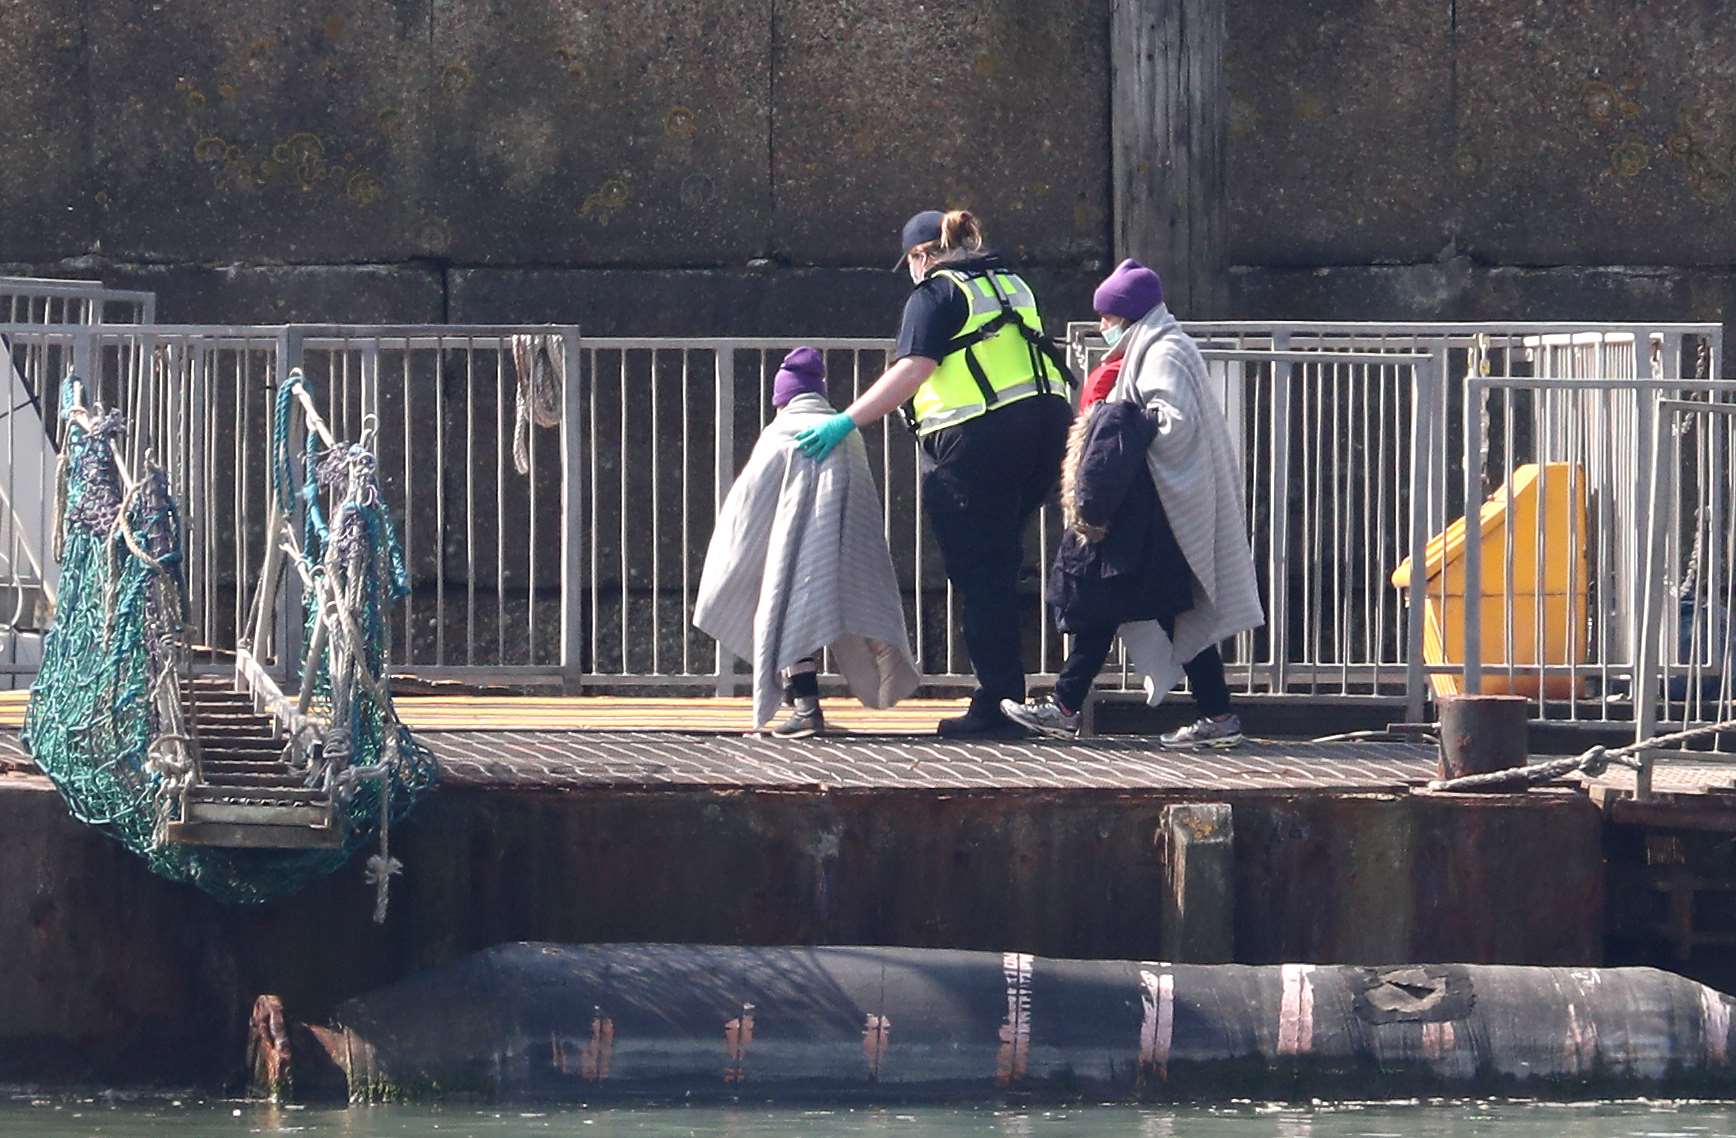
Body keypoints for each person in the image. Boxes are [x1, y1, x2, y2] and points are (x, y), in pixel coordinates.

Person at [794, 209, 1075, 739]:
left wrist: (844, 422)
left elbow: (913, 369)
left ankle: (997, 704)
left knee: (980, 577)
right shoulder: (1012, 284)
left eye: (910, 262)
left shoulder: (936, 294)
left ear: (921, 255)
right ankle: (1009, 696)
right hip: (1044, 438)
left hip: (978, 446)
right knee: (1001, 567)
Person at [1000, 260, 1264, 748]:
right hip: (1153, 511)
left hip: (1155, 512)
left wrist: (1115, 419)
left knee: (1131, 605)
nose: (1102, 326)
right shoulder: (1162, 345)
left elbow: (1173, 426)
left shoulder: (1163, 353)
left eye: (1106, 316)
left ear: (1128, 315)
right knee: (1148, 607)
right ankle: (1208, 714)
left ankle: (1068, 707)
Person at [694, 347, 920, 738]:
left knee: (782, 607)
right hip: (843, 543)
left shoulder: (781, 432)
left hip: (792, 547)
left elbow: (749, 505)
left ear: (781, 399)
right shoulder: (843, 431)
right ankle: (875, 648)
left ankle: (805, 706)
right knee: (843, 604)